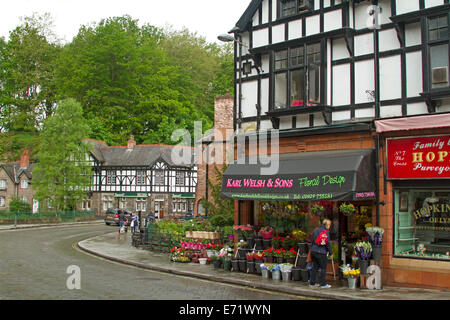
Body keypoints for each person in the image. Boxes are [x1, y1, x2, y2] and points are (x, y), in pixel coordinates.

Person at [309, 218, 332, 288]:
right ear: (327, 225)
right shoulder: (326, 231)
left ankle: (312, 283)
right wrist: (330, 252)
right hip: (321, 252)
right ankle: (323, 284)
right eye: (329, 225)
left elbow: (312, 240)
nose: (330, 226)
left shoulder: (315, 230)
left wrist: (312, 249)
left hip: (313, 251)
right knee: (323, 268)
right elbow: (327, 243)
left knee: (314, 267)